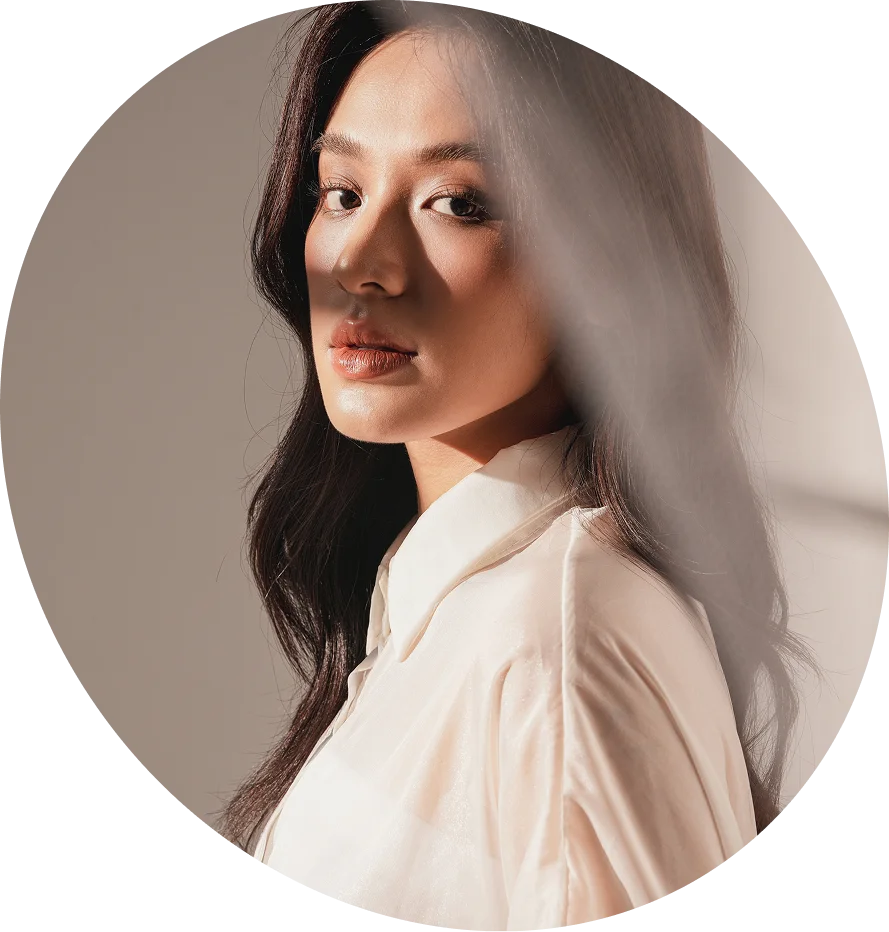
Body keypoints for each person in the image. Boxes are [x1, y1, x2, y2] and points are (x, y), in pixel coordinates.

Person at [220, 3, 812, 928]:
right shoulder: (455, 618)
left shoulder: (555, 635)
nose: (360, 262)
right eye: (340, 192)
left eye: (459, 202)